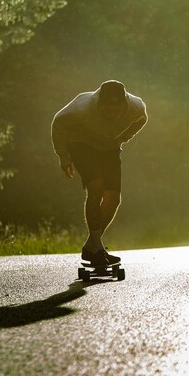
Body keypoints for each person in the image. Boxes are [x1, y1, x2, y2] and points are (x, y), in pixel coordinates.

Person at [51, 80, 148, 266]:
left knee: (113, 198)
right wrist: (64, 157)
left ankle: (93, 246)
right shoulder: (82, 108)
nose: (111, 112)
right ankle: (96, 246)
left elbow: (142, 119)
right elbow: (58, 123)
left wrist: (124, 137)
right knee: (96, 188)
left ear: (124, 104)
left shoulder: (136, 107)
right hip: (80, 142)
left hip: (109, 145)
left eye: (116, 109)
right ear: (99, 104)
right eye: (106, 108)